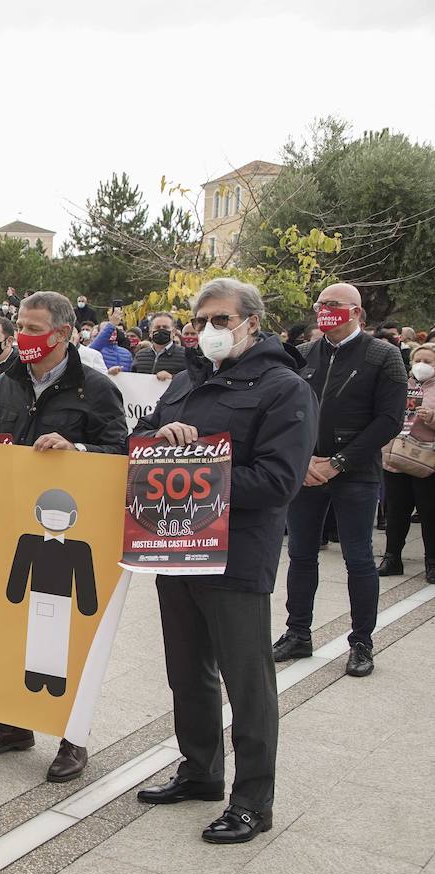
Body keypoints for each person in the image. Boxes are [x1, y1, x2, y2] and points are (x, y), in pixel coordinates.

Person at [127, 278, 317, 844]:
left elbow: (280, 481)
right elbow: (137, 441)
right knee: (186, 672)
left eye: (219, 319)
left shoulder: (285, 388)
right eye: (200, 319)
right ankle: (200, 771)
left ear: (250, 322)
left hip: (237, 556)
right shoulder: (185, 380)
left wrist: (200, 468)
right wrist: (162, 435)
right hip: (173, 546)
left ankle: (253, 800)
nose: (207, 329)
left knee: (247, 682)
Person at [0, 291, 126, 782]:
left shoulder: (94, 388)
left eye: (33, 328)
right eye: (20, 327)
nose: (23, 336)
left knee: (68, 641)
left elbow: (119, 451)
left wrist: (78, 447)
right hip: (13, 526)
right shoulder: (6, 382)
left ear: (63, 334)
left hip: (72, 530)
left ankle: (73, 737)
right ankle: (12, 724)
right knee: (10, 630)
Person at [275, 283, 406, 678]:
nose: (324, 310)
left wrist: (339, 462)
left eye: (332, 305)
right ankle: (298, 632)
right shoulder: (302, 355)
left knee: (359, 558)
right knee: (300, 554)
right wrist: (305, 461)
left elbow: (388, 420)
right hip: (307, 472)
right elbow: (285, 411)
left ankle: (362, 642)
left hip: (356, 473)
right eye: (319, 304)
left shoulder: (384, 356)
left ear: (355, 311)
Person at [379, 344, 435, 581]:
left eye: (429, 361)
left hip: (426, 461)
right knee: (396, 511)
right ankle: (392, 558)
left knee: (429, 512)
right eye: (418, 359)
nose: (422, 365)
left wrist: (431, 418)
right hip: (396, 458)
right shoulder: (400, 385)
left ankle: (431, 561)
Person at [133, 312, 188, 379]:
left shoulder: (185, 355)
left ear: (173, 332)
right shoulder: (140, 355)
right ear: (150, 332)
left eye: (165, 327)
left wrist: (172, 378)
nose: (161, 330)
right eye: (157, 327)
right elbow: (132, 378)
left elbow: (192, 380)